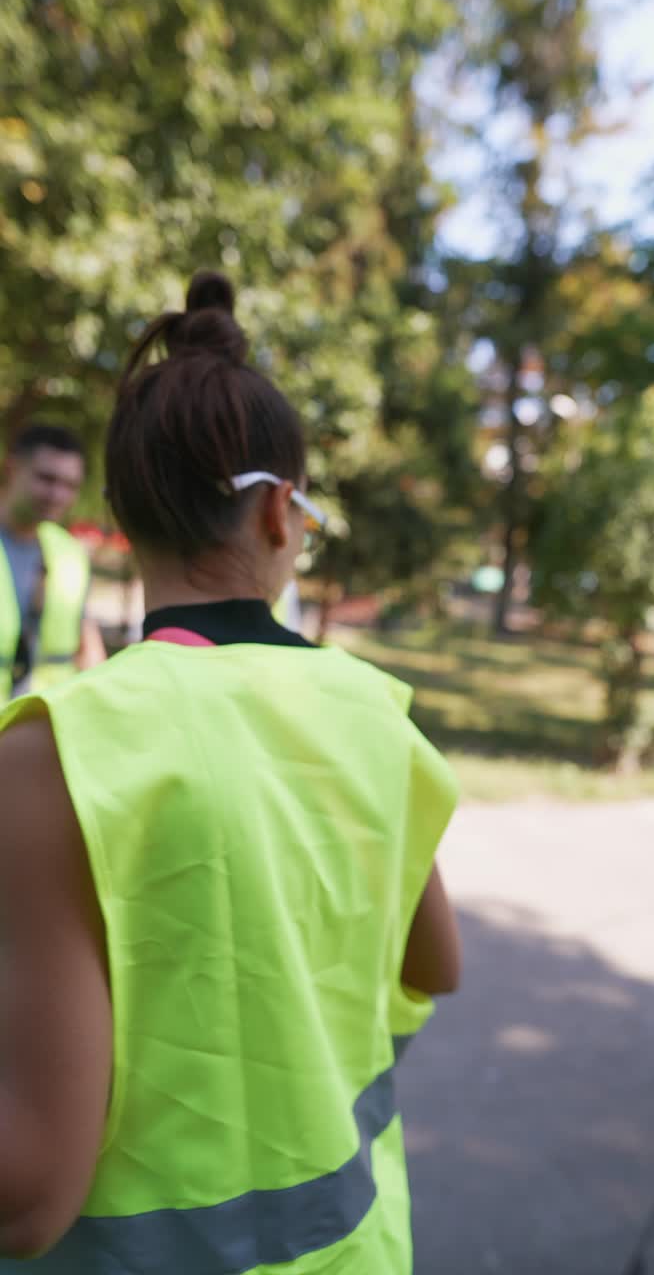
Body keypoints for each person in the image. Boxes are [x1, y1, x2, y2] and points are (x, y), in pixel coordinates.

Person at [0, 270, 461, 1274]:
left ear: (124, 513)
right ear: (281, 513)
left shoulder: (52, 752)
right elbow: (436, 964)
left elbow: (29, 1197)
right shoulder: (375, 710)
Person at [0, 423, 105, 700]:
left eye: (70, 485)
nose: (57, 495)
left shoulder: (70, 553)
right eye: (46, 479)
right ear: (11, 469)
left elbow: (87, 647)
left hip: (44, 728)